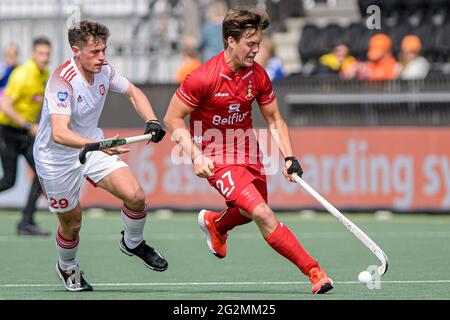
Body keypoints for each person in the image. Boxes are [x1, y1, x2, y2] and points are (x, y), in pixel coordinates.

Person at [164, 8, 333, 294]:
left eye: (259, 43)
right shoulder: (203, 78)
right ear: (231, 40)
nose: (257, 50)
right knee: (264, 214)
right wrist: (195, 155)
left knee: (246, 212)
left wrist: (289, 157)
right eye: (250, 44)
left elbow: (274, 119)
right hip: (215, 155)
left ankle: (215, 224)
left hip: (249, 151)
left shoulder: (258, 76)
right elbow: (171, 118)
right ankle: (314, 271)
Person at [33, 20, 168, 292]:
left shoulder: (104, 70)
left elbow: (133, 92)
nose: (102, 57)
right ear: (76, 51)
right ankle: (67, 267)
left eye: (103, 50)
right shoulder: (62, 81)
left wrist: (151, 119)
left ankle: (132, 243)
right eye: (95, 52)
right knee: (73, 224)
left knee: (136, 195)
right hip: (56, 159)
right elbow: (60, 133)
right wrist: (101, 144)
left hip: (93, 146)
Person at [0, 38, 51, 236]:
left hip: (25, 135)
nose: (44, 58)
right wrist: (28, 125)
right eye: (40, 54)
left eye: (47, 54)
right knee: (9, 181)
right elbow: (4, 105)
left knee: (42, 174)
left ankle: (26, 222)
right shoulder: (22, 75)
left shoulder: (44, 74)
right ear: (32, 54)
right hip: (7, 131)